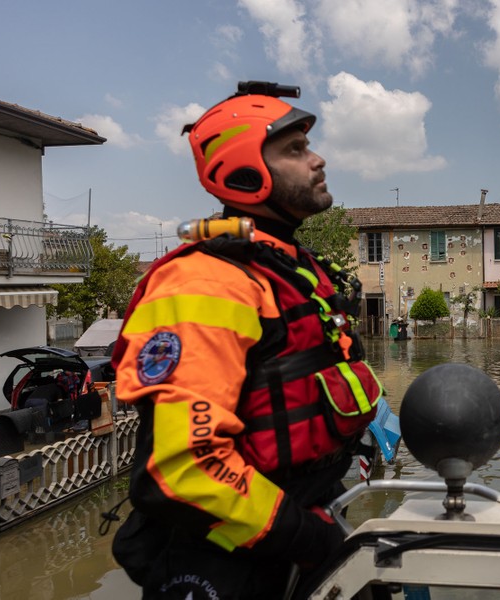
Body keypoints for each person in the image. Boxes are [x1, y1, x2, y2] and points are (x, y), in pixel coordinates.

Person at [110, 81, 383, 599]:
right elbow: (185, 471)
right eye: (295, 149)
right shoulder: (206, 282)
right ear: (245, 170)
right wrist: (312, 540)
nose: (318, 160)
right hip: (234, 559)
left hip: (301, 525)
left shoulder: (288, 267)